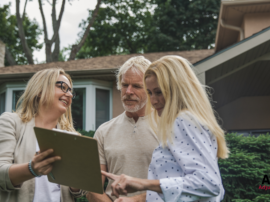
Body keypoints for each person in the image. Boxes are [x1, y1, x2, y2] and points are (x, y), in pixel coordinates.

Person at [102, 55, 229, 202]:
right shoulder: (185, 121)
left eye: (158, 92)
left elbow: (209, 184)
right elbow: (181, 188)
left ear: (177, 88)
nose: (153, 100)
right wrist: (135, 200)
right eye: (150, 93)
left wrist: (141, 183)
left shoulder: (184, 120)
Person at [0, 68, 87, 202]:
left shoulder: (73, 137)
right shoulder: (11, 122)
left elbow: (78, 193)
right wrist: (32, 169)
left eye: (70, 91)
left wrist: (76, 180)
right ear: (40, 91)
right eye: (62, 87)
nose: (69, 94)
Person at [86, 56, 159, 202]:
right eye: (125, 85)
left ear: (150, 89)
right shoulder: (103, 131)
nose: (128, 91)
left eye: (137, 86)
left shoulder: (169, 127)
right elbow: (92, 190)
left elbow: (177, 185)